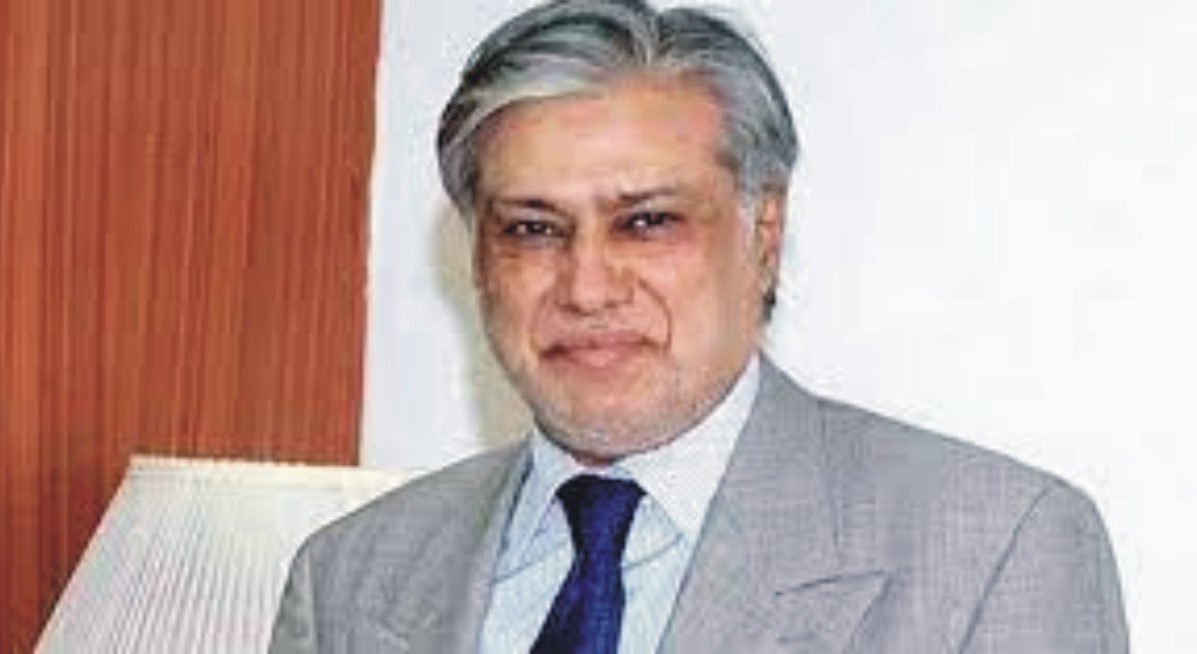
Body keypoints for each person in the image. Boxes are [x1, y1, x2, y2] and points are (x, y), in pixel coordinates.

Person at [270, 0, 1129, 651]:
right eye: (531, 228)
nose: (587, 286)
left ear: (763, 236)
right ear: (478, 260)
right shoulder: (350, 576)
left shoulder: (993, 551)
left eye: (646, 222)